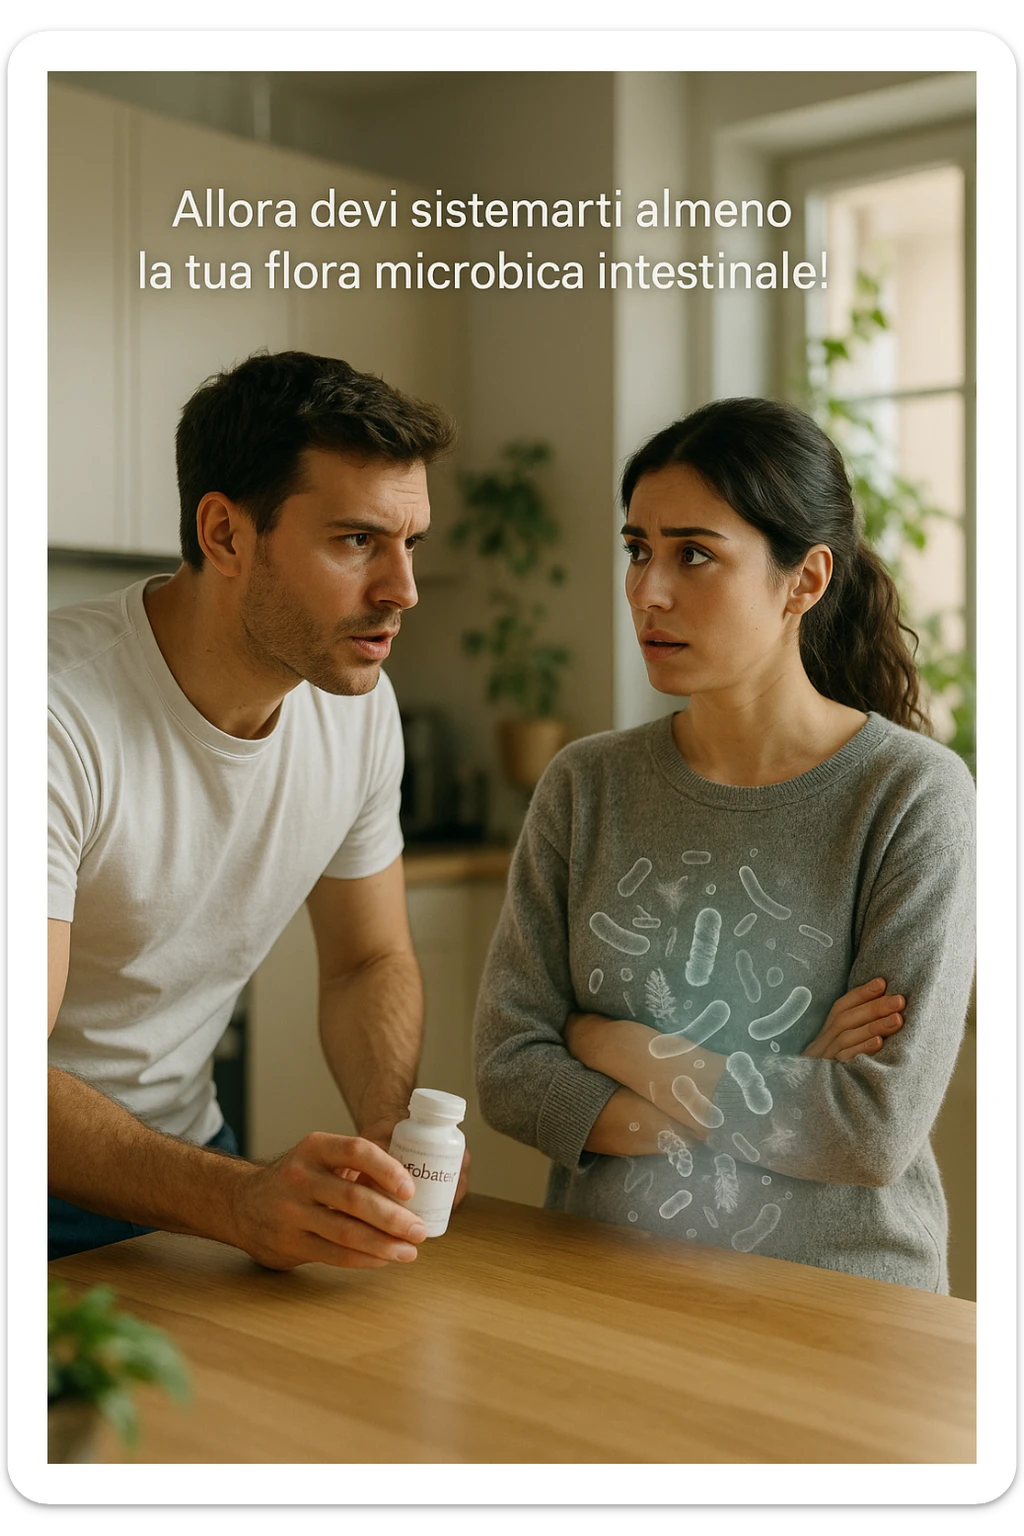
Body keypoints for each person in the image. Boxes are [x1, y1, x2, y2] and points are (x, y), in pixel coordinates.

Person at [473, 397, 975, 1293]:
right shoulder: (585, 785)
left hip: (842, 1302)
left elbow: (871, 1129)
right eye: (638, 550)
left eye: (694, 554)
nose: (648, 591)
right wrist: (772, 1093)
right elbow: (511, 1072)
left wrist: (617, 1046)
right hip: (607, 1287)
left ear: (805, 580)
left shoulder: (911, 796)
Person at [48, 349, 466, 1270]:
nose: (402, 589)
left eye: (410, 543)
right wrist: (235, 1199)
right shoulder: (51, 717)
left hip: (183, 1167)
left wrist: (388, 1124)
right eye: (356, 540)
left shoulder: (357, 708)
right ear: (226, 535)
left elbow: (366, 960)